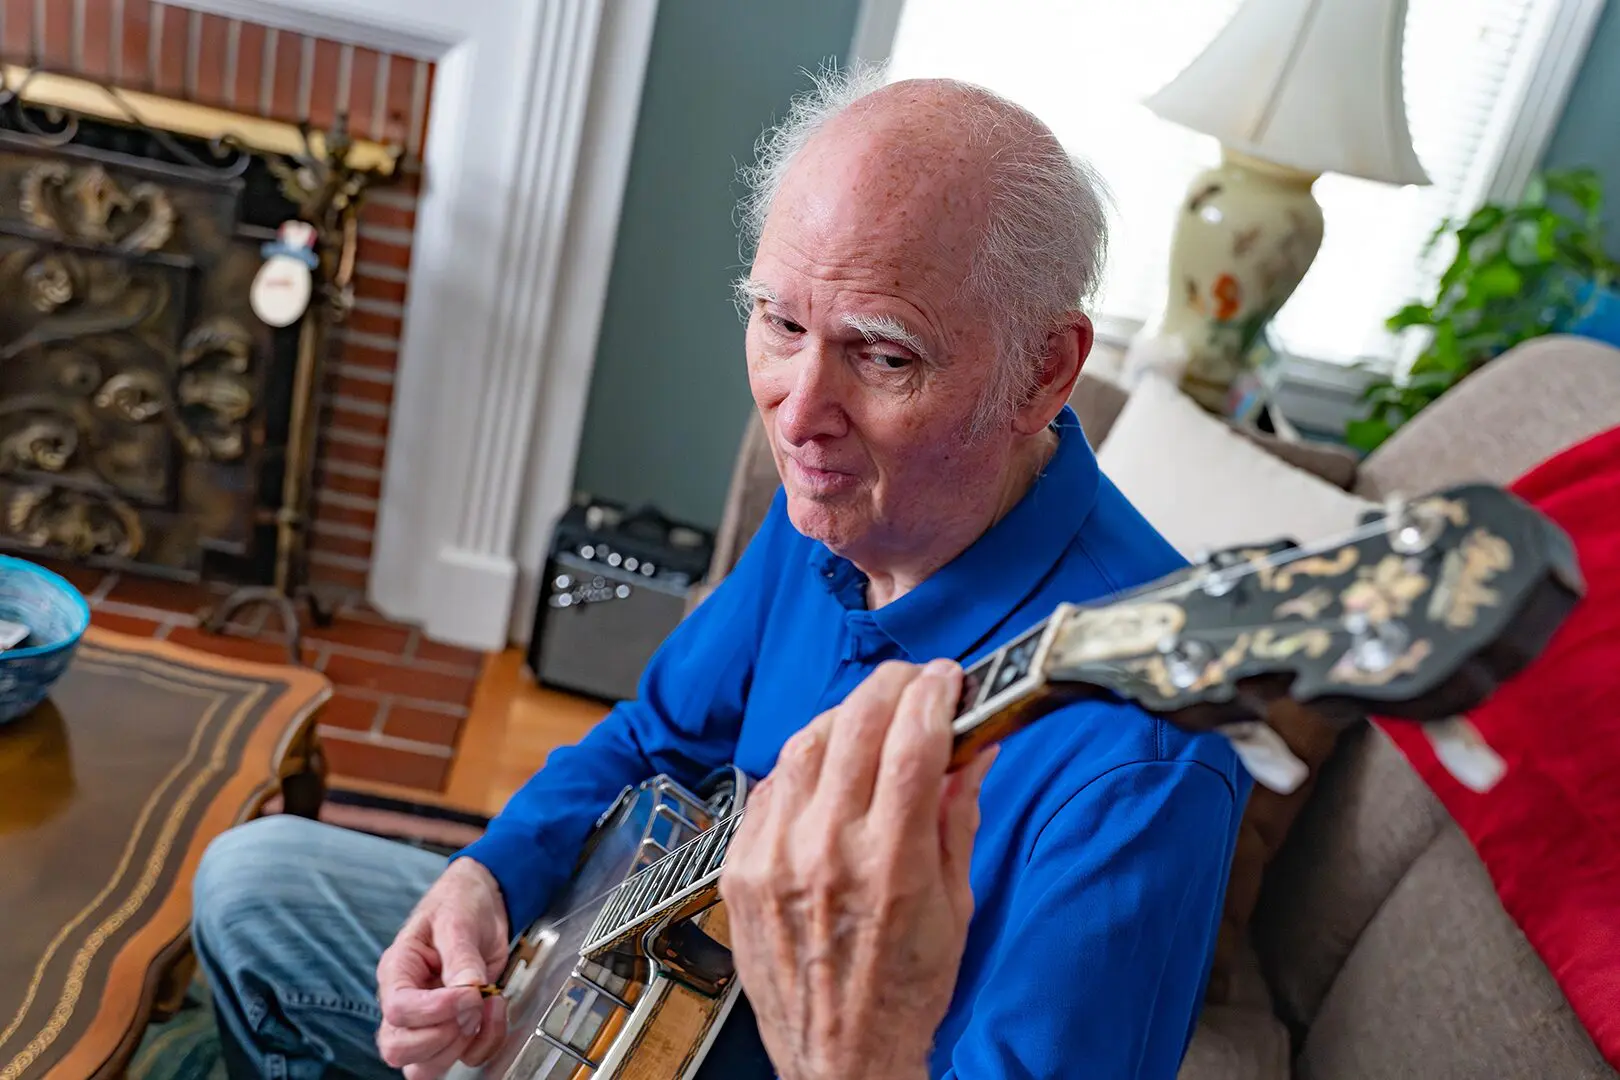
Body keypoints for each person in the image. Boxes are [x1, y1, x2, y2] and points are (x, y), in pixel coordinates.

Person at [190, 67, 1251, 1080]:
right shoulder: (841, 508)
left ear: (1044, 371)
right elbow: (656, 739)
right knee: (256, 879)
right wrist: (492, 875)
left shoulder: (1145, 762)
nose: (798, 412)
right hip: (644, 1004)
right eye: (780, 322)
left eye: (884, 355)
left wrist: (846, 1052)